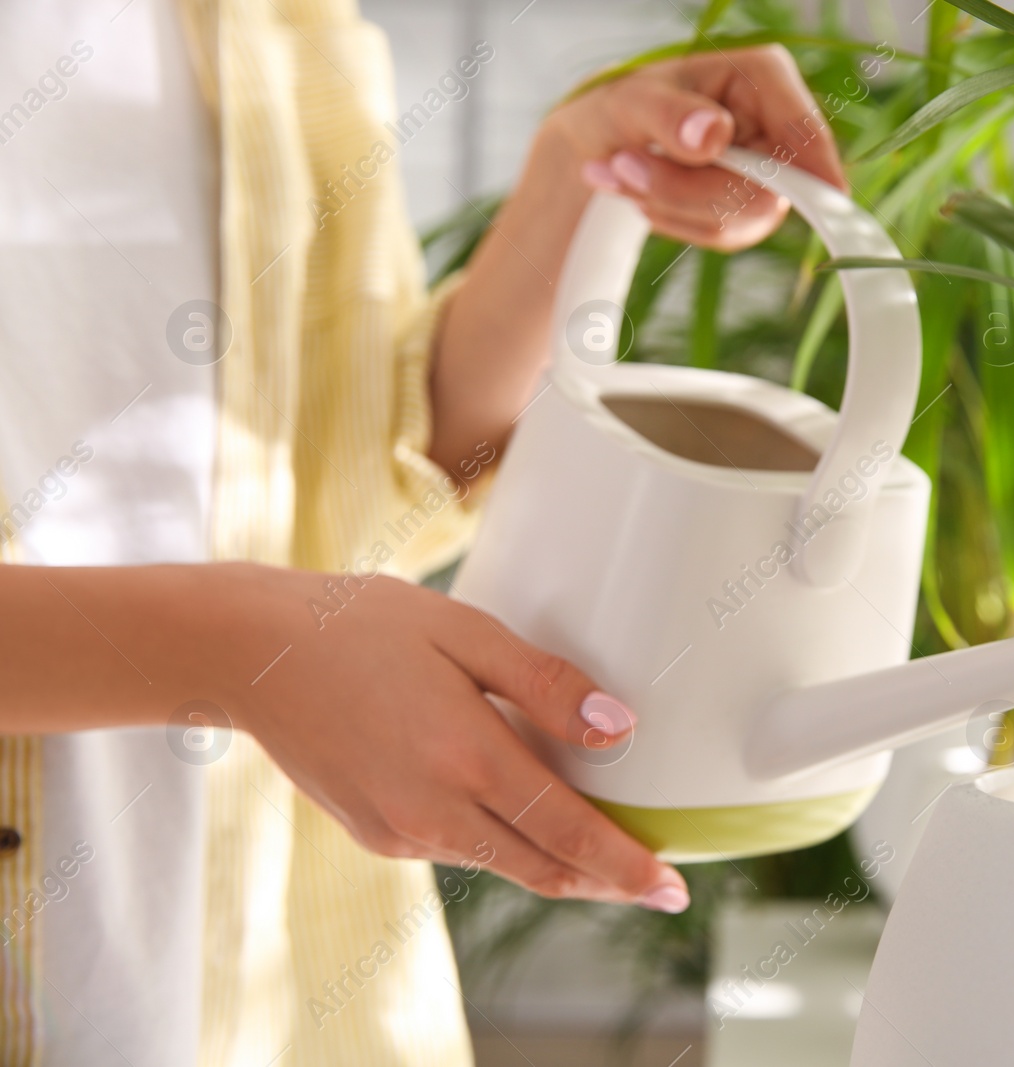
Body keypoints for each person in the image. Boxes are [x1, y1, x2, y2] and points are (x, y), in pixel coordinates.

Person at [0, 1, 847, 1063]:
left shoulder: (270, 29)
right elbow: (276, 615)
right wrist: (237, 647)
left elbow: (352, 483)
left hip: (265, 996)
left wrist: (574, 179)